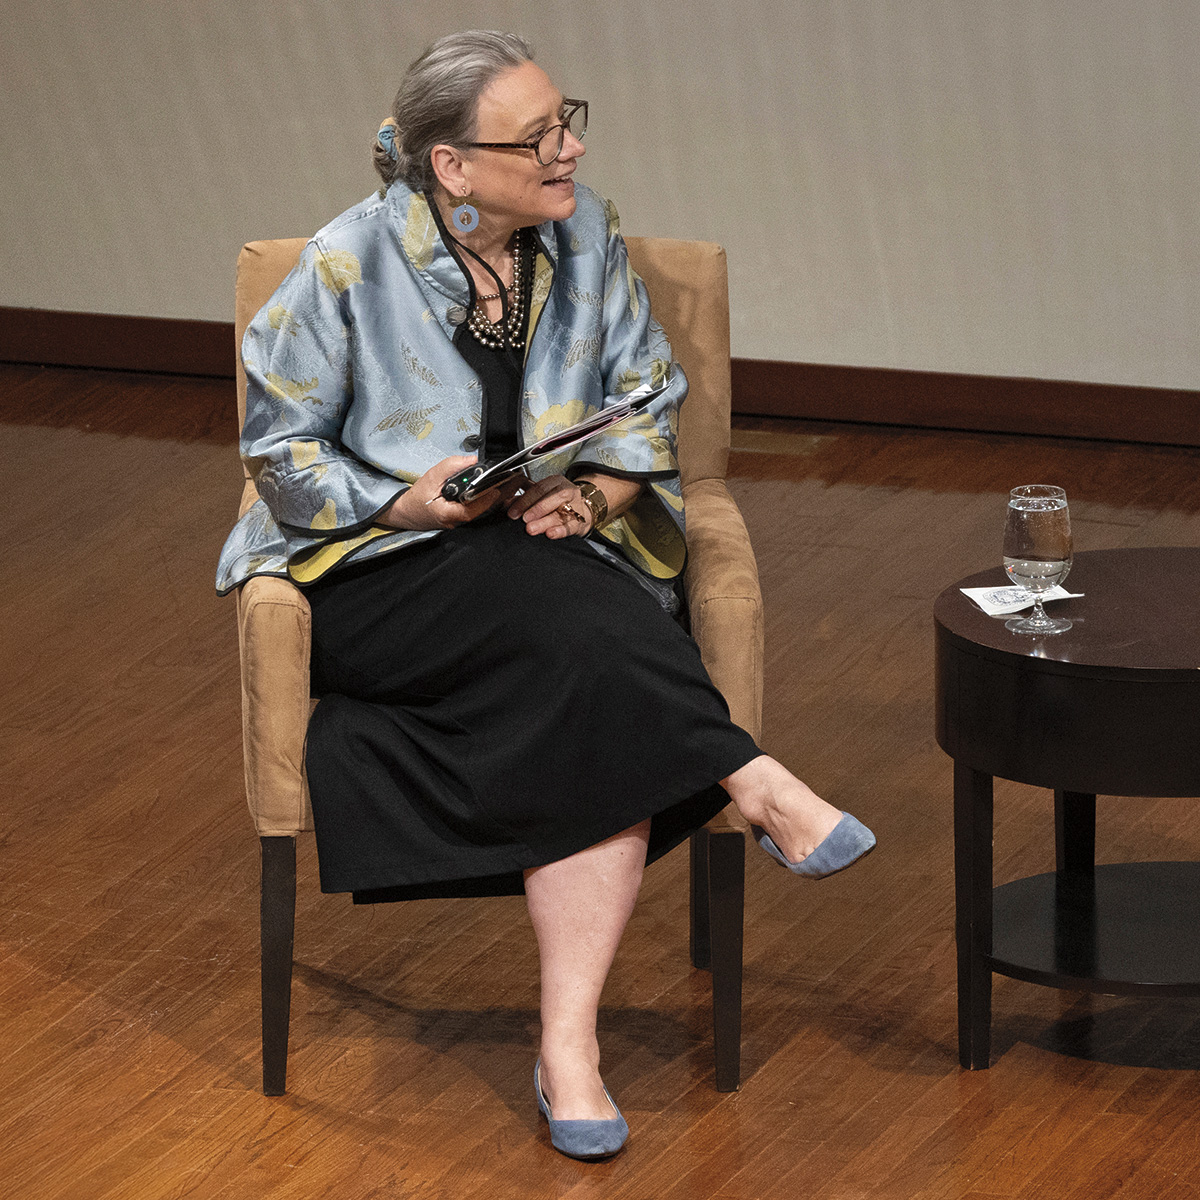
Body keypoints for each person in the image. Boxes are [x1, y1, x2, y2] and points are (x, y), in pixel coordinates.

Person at [217, 29, 875, 1161]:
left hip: (545, 566)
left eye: (566, 120)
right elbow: (277, 453)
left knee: (578, 645)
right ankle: (750, 775)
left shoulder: (589, 240)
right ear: (452, 167)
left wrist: (601, 500)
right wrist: (408, 502)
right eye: (537, 137)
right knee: (577, 619)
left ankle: (567, 1047)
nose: (567, 149)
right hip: (384, 575)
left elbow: (644, 401)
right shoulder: (343, 266)